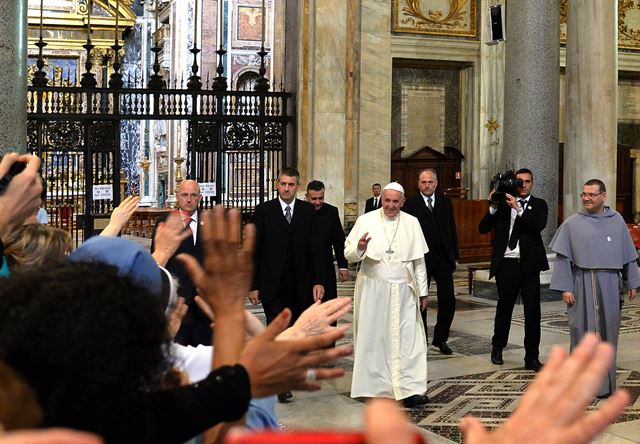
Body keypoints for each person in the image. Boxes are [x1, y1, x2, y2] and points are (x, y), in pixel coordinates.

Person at [0, 207, 351, 443]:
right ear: (159, 321)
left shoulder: (27, 378)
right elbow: (232, 394)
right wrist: (235, 314)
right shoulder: (159, 393)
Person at [549, 179, 639, 398]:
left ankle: (604, 385)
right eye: (584, 194)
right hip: (582, 281)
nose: (586, 198)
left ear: (603, 196)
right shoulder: (572, 223)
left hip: (610, 283)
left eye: (591, 194)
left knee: (608, 334)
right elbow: (563, 259)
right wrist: (566, 288)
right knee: (582, 333)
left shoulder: (616, 220)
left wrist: (632, 283)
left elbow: (629, 256)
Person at [345, 182, 430, 408]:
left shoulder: (412, 223)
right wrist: (361, 247)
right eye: (387, 200)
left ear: (402, 202)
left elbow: (419, 262)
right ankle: (373, 388)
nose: (390, 206)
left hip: (404, 292)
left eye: (395, 201)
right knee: (374, 339)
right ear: (381, 199)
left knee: (408, 341)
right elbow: (349, 253)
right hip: (374, 289)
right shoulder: (366, 220)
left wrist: (423, 292)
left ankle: (410, 389)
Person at [250, 167, 325, 403]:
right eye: (283, 184)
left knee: (295, 331)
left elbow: (316, 249)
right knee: (277, 331)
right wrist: (253, 285)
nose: (286, 188)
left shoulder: (307, 211)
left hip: (300, 284)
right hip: (272, 284)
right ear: (276, 184)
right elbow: (253, 249)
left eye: (291, 185)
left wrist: (319, 280)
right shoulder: (264, 211)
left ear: (297, 187)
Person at [478, 168, 548, 372]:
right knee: (504, 308)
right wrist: (492, 207)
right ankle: (497, 347)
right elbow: (483, 228)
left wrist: (519, 209)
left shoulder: (539, 204)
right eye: (520, 181)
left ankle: (532, 357)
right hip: (506, 264)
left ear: (532, 183)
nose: (523, 185)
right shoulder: (501, 204)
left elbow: (538, 226)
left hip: (529, 266)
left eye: (527, 181)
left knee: (533, 313)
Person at [402, 169, 459, 355]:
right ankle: (421, 339)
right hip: (420, 259)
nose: (427, 185)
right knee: (421, 301)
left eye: (430, 182)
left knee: (448, 300)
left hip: (443, 258)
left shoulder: (445, 202)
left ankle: (440, 338)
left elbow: (451, 228)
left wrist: (455, 255)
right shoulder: (410, 204)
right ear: (418, 184)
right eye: (423, 182)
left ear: (436, 183)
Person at [151, 179, 209, 346]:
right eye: (184, 195)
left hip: (203, 299)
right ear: (177, 197)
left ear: (200, 197)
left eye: (193, 195)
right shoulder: (165, 222)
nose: (189, 199)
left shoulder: (209, 221)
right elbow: (158, 259)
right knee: (177, 349)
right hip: (177, 298)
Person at [305, 180, 350, 303]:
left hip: (326, 265)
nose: (318, 202)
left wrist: (343, 266)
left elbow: (338, 240)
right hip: (304, 267)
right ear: (306, 197)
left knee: (328, 305)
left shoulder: (332, 212)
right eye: (314, 199)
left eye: (321, 198)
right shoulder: (299, 211)